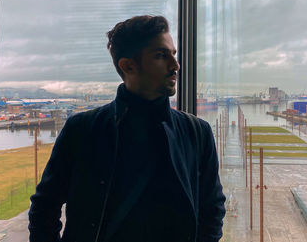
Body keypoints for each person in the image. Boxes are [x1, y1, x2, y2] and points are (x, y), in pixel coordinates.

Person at [28, 15, 226, 242]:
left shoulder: (198, 133)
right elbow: (45, 206)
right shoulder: (80, 131)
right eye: (161, 56)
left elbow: (213, 208)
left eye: (174, 54)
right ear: (128, 65)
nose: (175, 66)